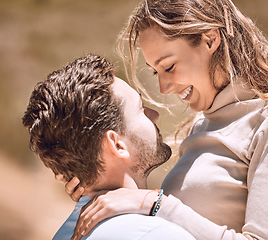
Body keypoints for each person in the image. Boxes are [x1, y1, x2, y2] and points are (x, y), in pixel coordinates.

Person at [66, 1, 268, 240]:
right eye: (156, 71)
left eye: (169, 67)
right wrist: (100, 189)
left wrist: (154, 203)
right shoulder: (202, 123)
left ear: (210, 39)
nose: (163, 88)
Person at [22, 54, 196, 240]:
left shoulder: (65, 233)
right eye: (140, 108)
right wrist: (158, 204)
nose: (154, 115)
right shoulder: (155, 234)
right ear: (117, 145)